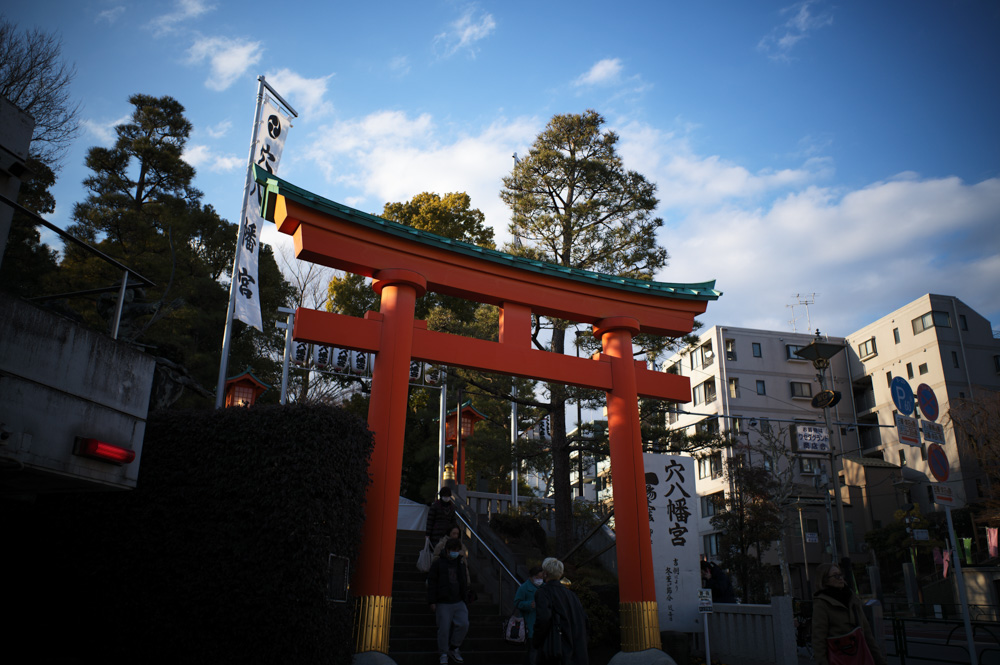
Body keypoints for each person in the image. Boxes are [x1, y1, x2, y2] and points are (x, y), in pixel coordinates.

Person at [811, 563, 887, 665]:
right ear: (825, 580)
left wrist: (880, 660)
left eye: (840, 574)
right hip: (839, 657)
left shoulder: (851, 597)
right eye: (835, 576)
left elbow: (867, 633)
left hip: (860, 655)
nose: (840, 578)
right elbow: (819, 639)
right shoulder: (822, 603)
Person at [532, 557, 589, 665]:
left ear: (545, 573)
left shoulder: (543, 593)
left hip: (555, 650)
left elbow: (543, 619)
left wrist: (536, 641)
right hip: (575, 650)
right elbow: (584, 620)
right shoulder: (572, 595)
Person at [428, 538, 470, 664]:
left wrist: (465, 596)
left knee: (464, 624)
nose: (455, 552)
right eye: (453, 550)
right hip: (443, 601)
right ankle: (443, 653)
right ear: (447, 550)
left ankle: (454, 647)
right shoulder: (438, 564)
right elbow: (432, 582)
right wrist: (432, 601)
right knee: (444, 629)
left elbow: (463, 580)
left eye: (457, 550)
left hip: (458, 599)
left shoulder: (460, 563)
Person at [513, 565, 545, 663]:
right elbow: (517, 603)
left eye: (541, 577)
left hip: (542, 624)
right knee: (533, 651)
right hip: (529, 624)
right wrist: (528, 604)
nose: (539, 580)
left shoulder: (544, 587)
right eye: (537, 577)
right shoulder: (524, 588)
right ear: (531, 577)